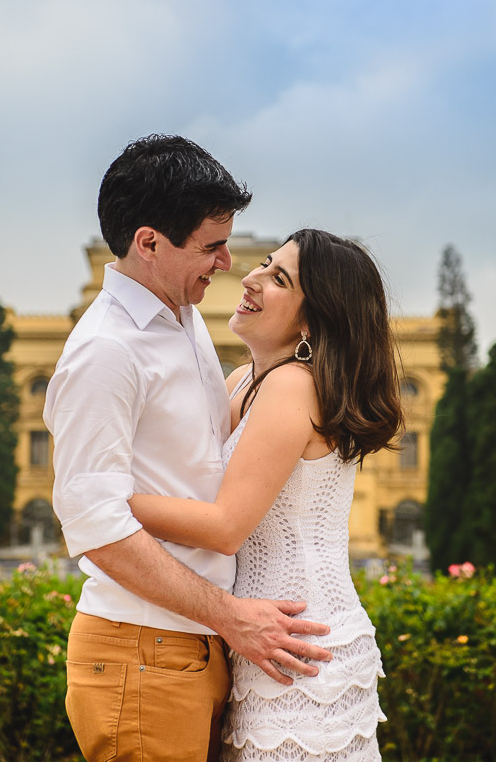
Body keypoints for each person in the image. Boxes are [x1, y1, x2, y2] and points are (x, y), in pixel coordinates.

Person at [44, 135, 333, 762]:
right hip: (142, 653)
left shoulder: (184, 317)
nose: (229, 262)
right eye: (212, 246)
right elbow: (97, 528)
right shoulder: (106, 352)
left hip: (185, 651)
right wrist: (229, 615)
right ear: (149, 243)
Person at [129, 228, 405, 760]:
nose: (251, 278)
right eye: (264, 265)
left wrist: (105, 500)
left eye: (279, 278)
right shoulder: (241, 382)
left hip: (298, 646)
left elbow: (226, 525)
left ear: (311, 320)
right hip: (263, 641)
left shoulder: (293, 385)